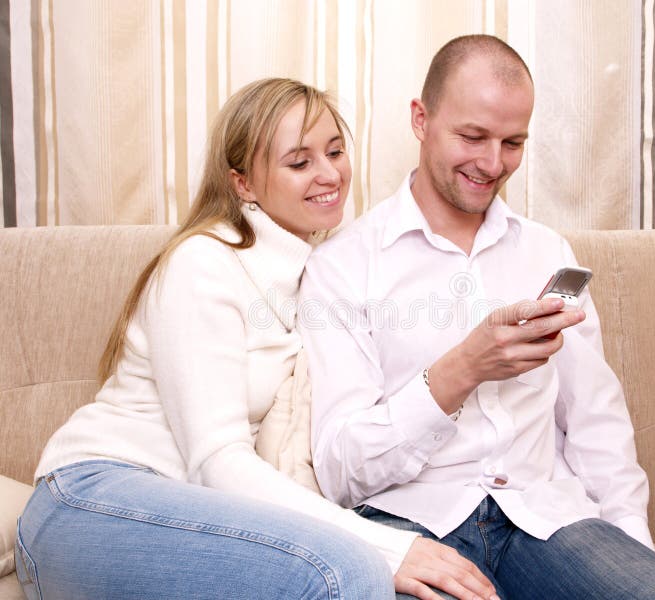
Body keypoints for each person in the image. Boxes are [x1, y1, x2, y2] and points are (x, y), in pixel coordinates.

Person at [15, 78, 499, 600]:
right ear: (243, 183)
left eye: (335, 151)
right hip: (92, 498)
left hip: (192, 510)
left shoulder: (325, 270)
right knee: (348, 571)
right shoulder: (203, 263)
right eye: (300, 162)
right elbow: (216, 460)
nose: (330, 173)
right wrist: (391, 548)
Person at [299, 36, 655, 599]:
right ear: (420, 119)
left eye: (513, 142)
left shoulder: (548, 253)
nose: (492, 163)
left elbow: (596, 420)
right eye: (472, 136)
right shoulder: (343, 266)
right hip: (412, 526)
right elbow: (339, 468)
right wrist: (462, 369)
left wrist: (636, 551)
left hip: (547, 520)